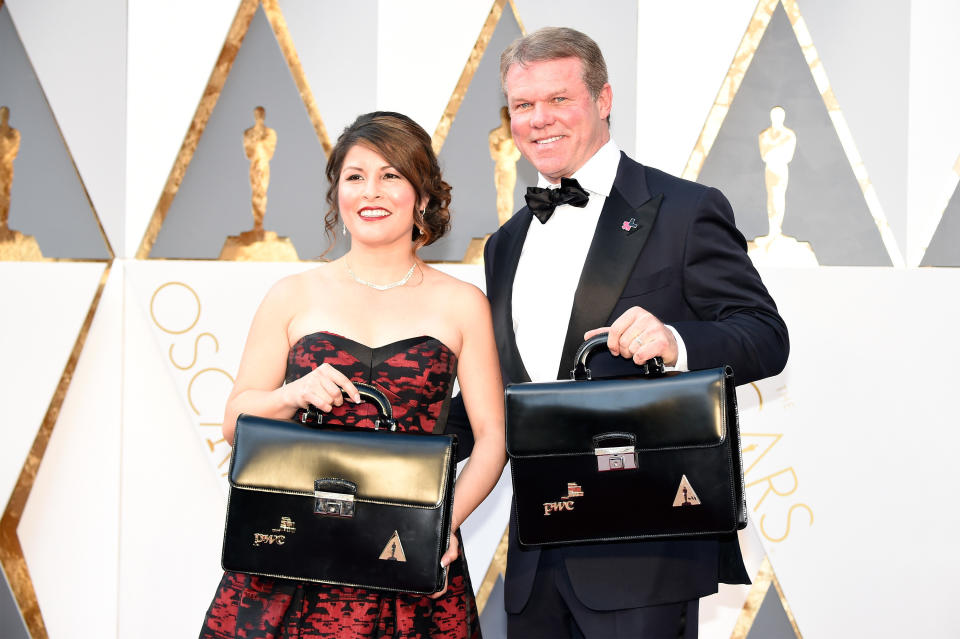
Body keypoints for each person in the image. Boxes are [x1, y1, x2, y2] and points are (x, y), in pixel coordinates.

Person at [448, 27, 789, 638]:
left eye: (559, 100)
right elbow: (501, 390)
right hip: (533, 557)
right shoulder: (506, 243)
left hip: (643, 552)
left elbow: (764, 334)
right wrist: (379, 428)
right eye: (523, 106)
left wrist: (675, 340)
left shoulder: (685, 209)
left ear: (603, 100)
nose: (538, 120)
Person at [200, 111, 507, 639]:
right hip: (293, 555)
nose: (372, 191)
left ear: (424, 197)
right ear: (337, 193)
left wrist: (439, 526)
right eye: (355, 176)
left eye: (391, 176)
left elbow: (493, 438)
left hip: (406, 559)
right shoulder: (291, 295)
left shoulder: (462, 305)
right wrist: (292, 394)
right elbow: (234, 421)